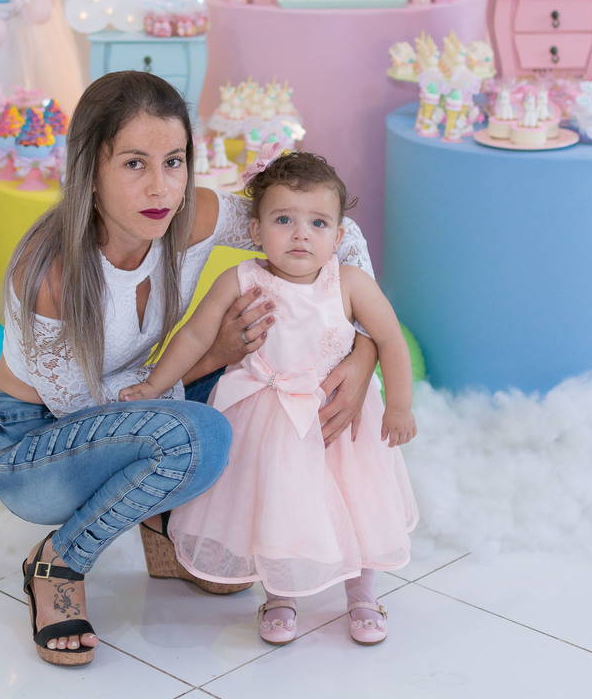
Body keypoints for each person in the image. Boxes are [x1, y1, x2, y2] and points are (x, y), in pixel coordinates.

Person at [0, 71, 381, 666]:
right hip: (38, 448)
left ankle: (164, 523)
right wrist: (214, 357)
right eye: (134, 164)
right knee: (203, 434)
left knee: (270, 383)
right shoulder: (51, 272)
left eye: (174, 162)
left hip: (142, 402)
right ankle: (59, 560)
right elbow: (88, 410)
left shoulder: (191, 215)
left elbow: (334, 232)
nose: (161, 187)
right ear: (90, 169)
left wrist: (364, 350)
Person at [119, 145, 419, 647]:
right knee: (278, 508)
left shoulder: (348, 282)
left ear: (338, 236)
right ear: (256, 231)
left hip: (336, 423)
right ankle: (280, 596)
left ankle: (363, 596)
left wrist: (400, 405)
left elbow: (390, 339)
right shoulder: (241, 279)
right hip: (269, 420)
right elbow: (194, 336)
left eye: (318, 223)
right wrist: (154, 384)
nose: (301, 234)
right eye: (284, 220)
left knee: (355, 503)